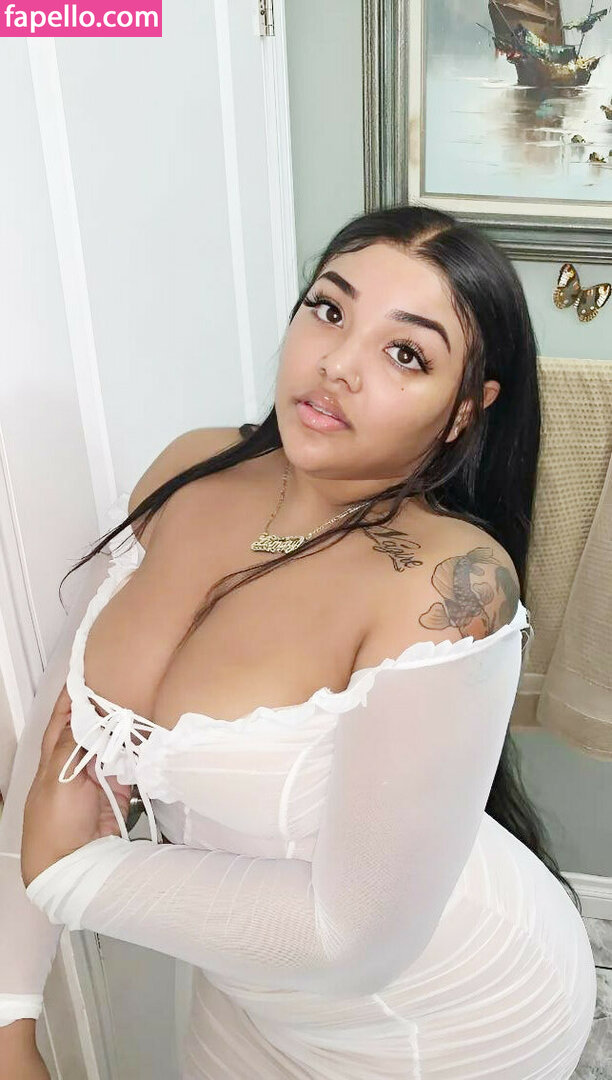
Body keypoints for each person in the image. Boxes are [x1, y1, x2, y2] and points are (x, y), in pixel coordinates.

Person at [0, 205, 596, 1079]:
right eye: (329, 309)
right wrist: (11, 1012)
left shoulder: (449, 585)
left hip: (445, 1021)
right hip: (252, 990)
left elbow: (352, 940)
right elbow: (56, 739)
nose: (338, 364)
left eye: (406, 353)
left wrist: (69, 874)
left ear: (465, 410)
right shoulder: (192, 469)